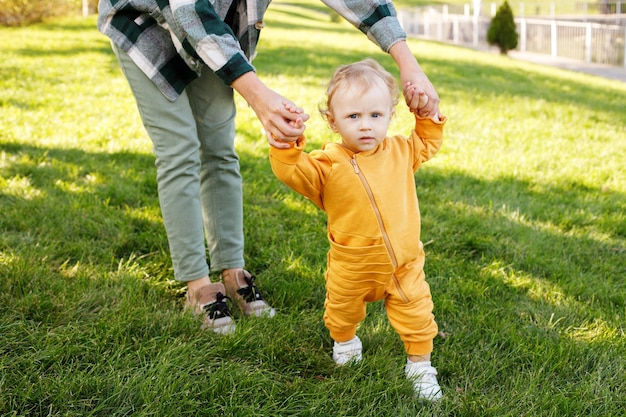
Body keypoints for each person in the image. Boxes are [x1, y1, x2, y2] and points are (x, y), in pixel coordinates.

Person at [97, 0, 441, 334]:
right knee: (180, 150)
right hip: (147, 22)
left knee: (219, 149)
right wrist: (257, 95)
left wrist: (407, 61)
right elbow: (190, 11)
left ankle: (233, 274)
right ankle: (199, 286)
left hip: (216, 30)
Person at [269, 59, 446, 401]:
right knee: (341, 311)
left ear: (390, 116)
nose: (366, 126)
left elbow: (427, 141)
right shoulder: (327, 164)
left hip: (404, 263)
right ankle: (346, 341)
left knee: (418, 315)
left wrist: (427, 115)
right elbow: (293, 172)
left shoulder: (400, 151)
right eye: (353, 117)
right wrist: (285, 146)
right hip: (353, 264)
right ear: (333, 121)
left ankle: (420, 367)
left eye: (375, 116)